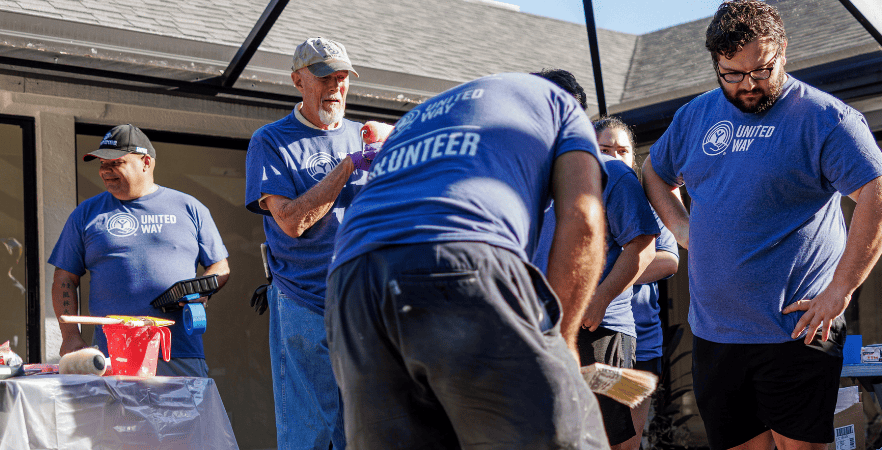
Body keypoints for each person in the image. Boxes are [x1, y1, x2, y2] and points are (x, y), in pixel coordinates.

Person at [640, 2, 882, 449]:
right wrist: (683, 230)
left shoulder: (825, 118)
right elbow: (654, 172)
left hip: (795, 332)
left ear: (783, 49)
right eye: (732, 74)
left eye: (762, 70)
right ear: (716, 64)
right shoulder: (694, 117)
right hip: (715, 333)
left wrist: (840, 289)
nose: (749, 85)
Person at [328, 70, 608, 449]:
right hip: (459, 254)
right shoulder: (561, 107)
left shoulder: (421, 117)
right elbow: (584, 218)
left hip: (351, 279)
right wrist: (563, 342)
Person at [242, 37, 368, 450]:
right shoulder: (271, 140)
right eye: (323, 77)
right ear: (298, 80)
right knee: (309, 432)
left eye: (342, 77)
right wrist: (348, 167)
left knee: (367, 428)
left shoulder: (366, 137)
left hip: (364, 304)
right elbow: (292, 222)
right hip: (304, 300)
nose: (335, 86)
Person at [525, 114, 664, 450]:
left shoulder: (612, 172)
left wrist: (597, 300)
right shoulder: (529, 172)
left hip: (601, 330)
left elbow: (646, 250)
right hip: (540, 330)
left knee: (611, 441)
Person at [49, 124, 231, 377]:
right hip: (111, 356)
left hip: (178, 351)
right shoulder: (86, 214)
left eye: (116, 163)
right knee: (115, 419)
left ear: (146, 162)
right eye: (102, 163)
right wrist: (70, 337)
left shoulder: (190, 208)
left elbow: (220, 267)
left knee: (184, 417)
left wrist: (201, 290)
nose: (105, 171)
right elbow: (65, 278)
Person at [596, 116, 681, 450]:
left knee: (627, 442)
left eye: (622, 151)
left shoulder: (646, 200)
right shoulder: (577, 198)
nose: (614, 158)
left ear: (634, 157)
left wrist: (606, 278)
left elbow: (667, 259)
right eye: (604, 149)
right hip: (592, 335)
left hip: (641, 341)